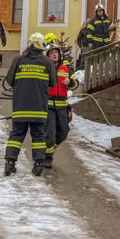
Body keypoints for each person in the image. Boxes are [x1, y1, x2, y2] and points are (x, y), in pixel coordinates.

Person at [4, 32, 57, 176]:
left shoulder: (18, 60)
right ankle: (38, 164)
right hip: (39, 108)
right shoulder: (47, 62)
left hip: (20, 107)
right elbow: (53, 82)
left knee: (17, 135)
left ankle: (9, 163)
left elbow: (9, 81)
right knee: (39, 136)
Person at [43, 40, 72, 169]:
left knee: (64, 132)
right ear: (48, 56)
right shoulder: (45, 68)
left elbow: (75, 83)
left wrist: (70, 81)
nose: (54, 54)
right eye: (52, 53)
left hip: (62, 106)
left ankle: (48, 150)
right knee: (50, 132)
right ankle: (47, 157)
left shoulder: (65, 68)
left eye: (56, 52)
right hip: (49, 106)